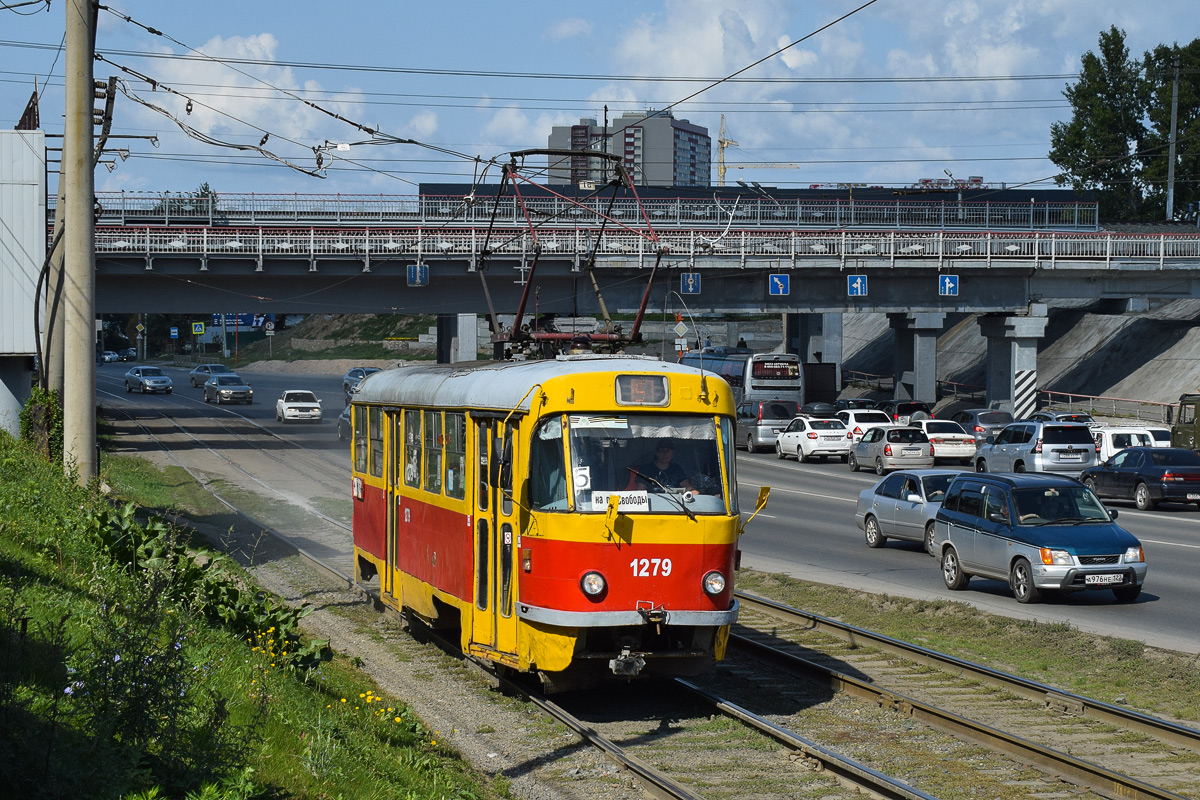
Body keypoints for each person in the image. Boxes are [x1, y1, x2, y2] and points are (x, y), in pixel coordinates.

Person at [627, 443, 696, 492]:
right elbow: (640, 491)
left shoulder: (676, 469)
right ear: (657, 453)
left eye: (668, 451)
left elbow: (689, 488)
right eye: (662, 450)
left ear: (672, 454)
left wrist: (696, 494)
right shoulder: (646, 469)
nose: (665, 454)